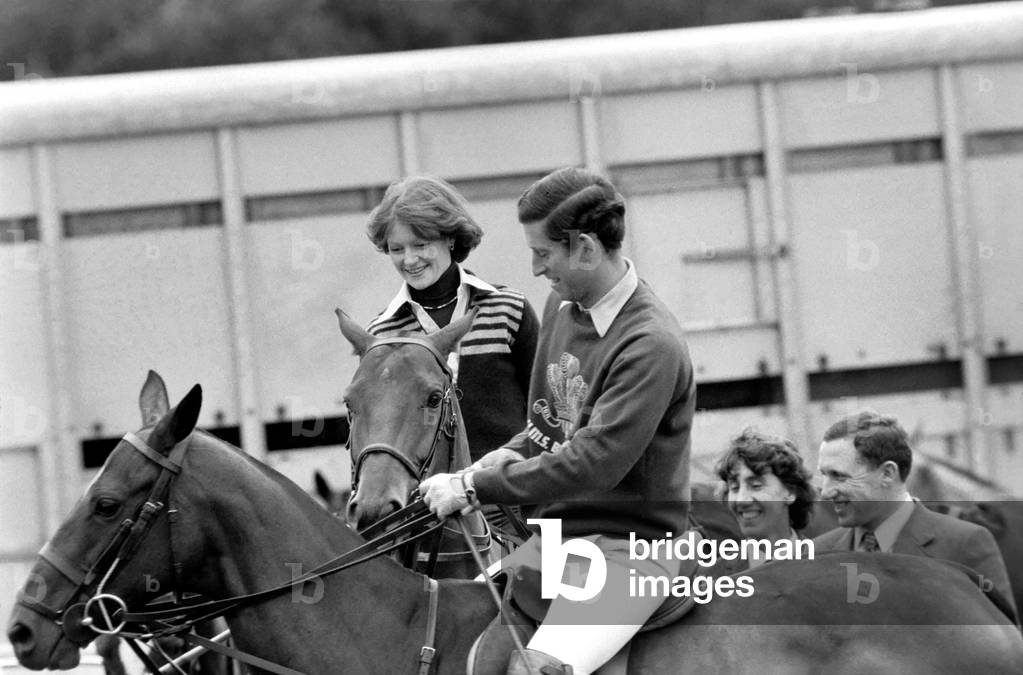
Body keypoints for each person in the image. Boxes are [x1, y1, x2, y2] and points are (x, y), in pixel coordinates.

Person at [420, 167, 696, 675]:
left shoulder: (649, 345)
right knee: (450, 630)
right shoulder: (563, 305)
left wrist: (476, 486)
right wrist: (509, 452)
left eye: (543, 254)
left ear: (586, 249)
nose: (534, 268)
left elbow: (592, 464)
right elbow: (551, 427)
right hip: (561, 542)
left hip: (632, 555)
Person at [365, 175, 539, 464]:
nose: (409, 260)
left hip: (516, 498)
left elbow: (549, 414)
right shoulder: (383, 333)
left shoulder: (509, 309)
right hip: (432, 505)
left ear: (450, 238)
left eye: (420, 245)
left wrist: (548, 511)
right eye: (397, 249)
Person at [813, 411, 1017, 617]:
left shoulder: (965, 545)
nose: (826, 492)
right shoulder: (816, 555)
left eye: (838, 476)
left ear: (887, 473)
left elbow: (1004, 643)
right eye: (824, 475)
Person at [715, 428, 814, 569]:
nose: (741, 499)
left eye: (756, 485)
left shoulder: (825, 564)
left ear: (790, 491)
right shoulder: (711, 578)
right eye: (734, 488)